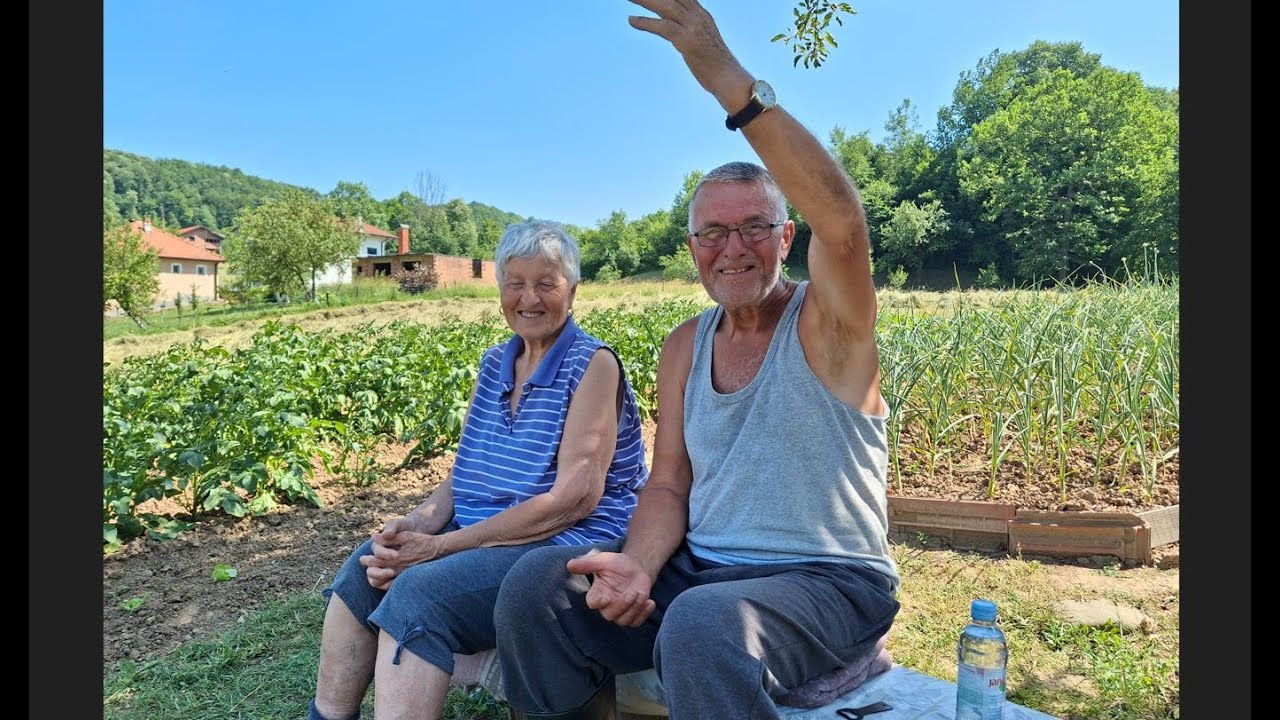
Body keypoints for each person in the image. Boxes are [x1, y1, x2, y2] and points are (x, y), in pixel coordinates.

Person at [493, 2, 900, 718]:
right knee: (538, 588)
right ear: (691, 250)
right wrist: (638, 568)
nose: (733, 248)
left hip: (830, 581)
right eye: (713, 233)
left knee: (705, 625)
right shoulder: (685, 345)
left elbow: (844, 223)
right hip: (703, 572)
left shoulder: (829, 322)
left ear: (785, 239)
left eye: (754, 228)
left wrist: (728, 82)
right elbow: (669, 484)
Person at [308, 220, 650, 720]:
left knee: (421, 593)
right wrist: (421, 523)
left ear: (572, 292)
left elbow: (576, 497)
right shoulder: (495, 363)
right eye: (515, 282)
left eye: (546, 283)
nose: (528, 297)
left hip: (561, 541)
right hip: (489, 530)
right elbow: (467, 465)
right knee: (367, 567)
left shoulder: (592, 363)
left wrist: (442, 547)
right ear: (499, 292)